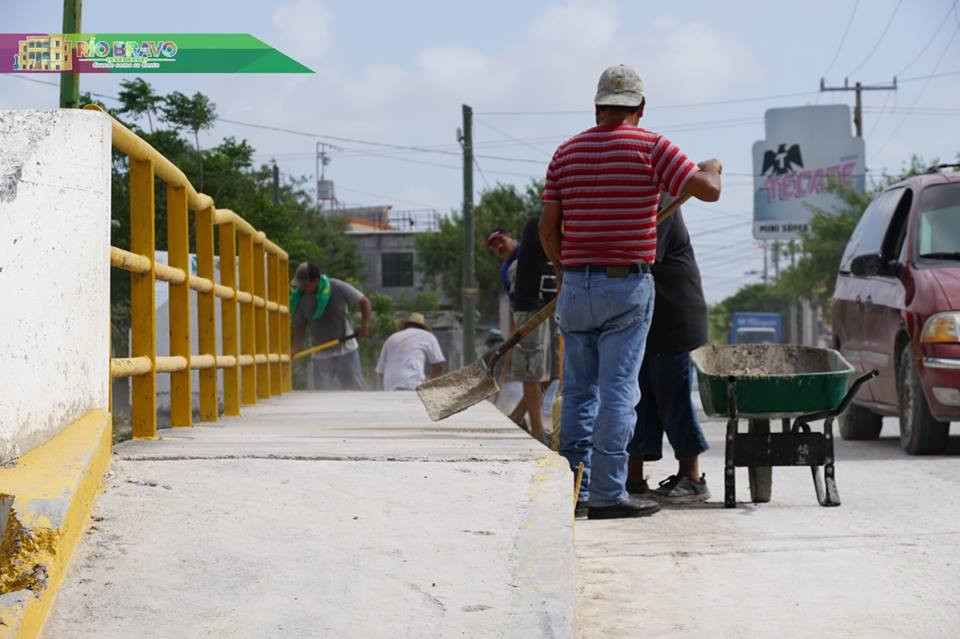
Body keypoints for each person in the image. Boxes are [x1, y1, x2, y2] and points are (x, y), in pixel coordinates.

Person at [539, 64, 722, 520]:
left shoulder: (566, 152)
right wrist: (712, 168)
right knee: (619, 392)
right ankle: (606, 494)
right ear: (640, 107)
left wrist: (566, 271)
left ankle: (574, 489)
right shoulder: (654, 147)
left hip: (576, 284)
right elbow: (710, 191)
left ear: (597, 106)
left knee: (579, 392)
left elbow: (548, 228)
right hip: (625, 284)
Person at [627, 201, 711, 503]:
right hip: (646, 321)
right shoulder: (636, 199)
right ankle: (632, 477)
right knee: (639, 399)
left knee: (672, 396)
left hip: (674, 318)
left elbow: (640, 255)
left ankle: (692, 476)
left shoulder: (660, 202)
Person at [486, 221, 559, 444]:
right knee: (533, 372)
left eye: (501, 240)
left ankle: (517, 416)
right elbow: (513, 301)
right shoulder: (506, 269)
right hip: (530, 314)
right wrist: (513, 329)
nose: (499, 246)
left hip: (553, 309)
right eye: (493, 246)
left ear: (511, 236)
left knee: (552, 373)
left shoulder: (528, 248)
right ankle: (536, 429)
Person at [290, 261, 371, 390]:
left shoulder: (337, 287)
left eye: (304, 285)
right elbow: (300, 326)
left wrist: (365, 326)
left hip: (345, 348)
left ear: (315, 281)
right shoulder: (299, 298)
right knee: (322, 394)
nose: (301, 288)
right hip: (320, 352)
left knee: (356, 389)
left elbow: (364, 301)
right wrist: (296, 348)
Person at [375, 312, 445, 391]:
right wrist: (430, 386)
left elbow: (380, 371)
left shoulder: (392, 338)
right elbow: (439, 365)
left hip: (390, 384)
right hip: (411, 382)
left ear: (405, 326)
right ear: (423, 327)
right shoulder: (428, 336)